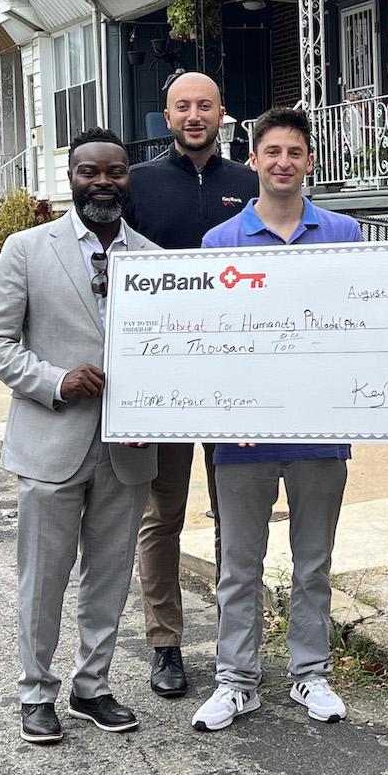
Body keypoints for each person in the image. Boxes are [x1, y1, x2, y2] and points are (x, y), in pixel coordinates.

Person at [0, 127, 158, 744]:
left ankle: (92, 687)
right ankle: (35, 692)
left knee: (109, 575)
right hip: (52, 440)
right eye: (89, 172)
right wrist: (55, 380)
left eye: (116, 171)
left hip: (128, 449)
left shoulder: (154, 259)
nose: (103, 182)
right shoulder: (28, 249)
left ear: (129, 178)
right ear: (70, 179)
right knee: (43, 578)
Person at [191, 106, 362, 732]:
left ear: (309, 160)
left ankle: (309, 674)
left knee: (313, 561)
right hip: (244, 436)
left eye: (295, 152)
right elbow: (207, 341)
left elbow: (362, 327)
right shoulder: (219, 244)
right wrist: (219, 410)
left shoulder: (344, 236)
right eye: (272, 153)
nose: (283, 163)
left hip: (321, 432)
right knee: (239, 565)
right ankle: (236, 681)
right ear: (255, 160)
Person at [122, 71, 259, 700]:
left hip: (236, 376)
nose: (194, 115)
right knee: (162, 514)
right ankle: (165, 644)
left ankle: (238, 638)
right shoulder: (139, 184)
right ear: (167, 115)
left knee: (238, 510)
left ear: (222, 113)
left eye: (205, 104)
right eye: (183, 106)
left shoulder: (250, 185)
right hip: (168, 379)